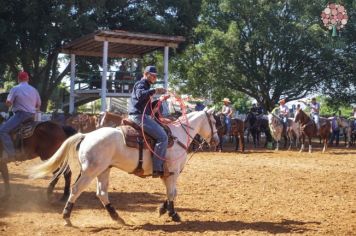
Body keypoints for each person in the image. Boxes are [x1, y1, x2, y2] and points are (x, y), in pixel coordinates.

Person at [128, 65, 170, 178]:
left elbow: (148, 106)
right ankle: (157, 168)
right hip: (139, 116)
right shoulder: (141, 84)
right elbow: (140, 95)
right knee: (163, 137)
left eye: (156, 76)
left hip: (141, 115)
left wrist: (160, 100)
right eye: (153, 76)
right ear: (146, 74)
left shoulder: (146, 86)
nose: (154, 78)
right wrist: (155, 90)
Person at [0, 71, 41, 163]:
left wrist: (8, 103)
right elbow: (38, 105)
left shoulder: (15, 89)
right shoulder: (34, 90)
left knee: (2, 131)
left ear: (18, 79)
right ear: (27, 79)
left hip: (20, 115)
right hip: (32, 116)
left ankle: (11, 154)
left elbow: (9, 103)